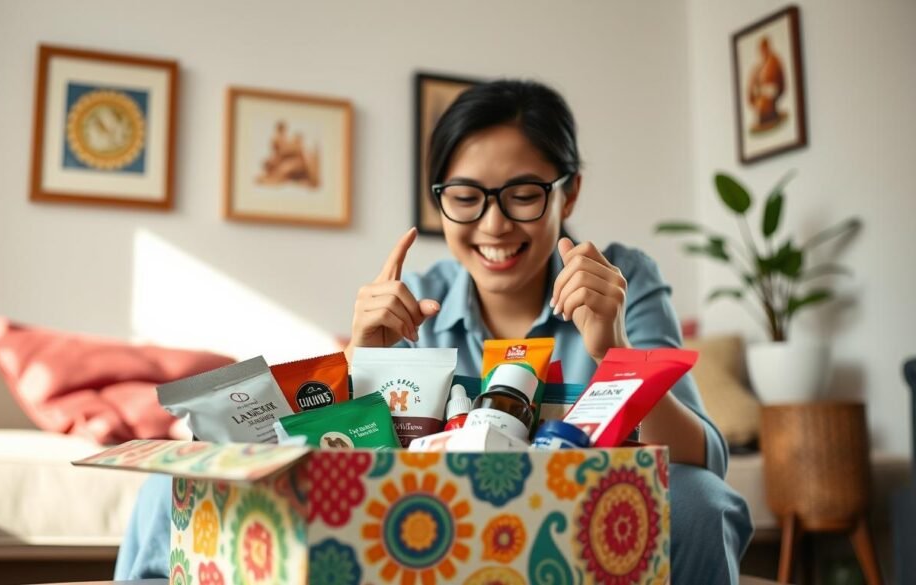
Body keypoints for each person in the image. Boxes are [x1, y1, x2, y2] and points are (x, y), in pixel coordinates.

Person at [115, 79, 753, 583]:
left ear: (571, 192)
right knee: (168, 490)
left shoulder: (619, 279)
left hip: (585, 517)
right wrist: (358, 359)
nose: (494, 225)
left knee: (700, 500)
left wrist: (612, 348)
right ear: (440, 199)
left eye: (524, 194)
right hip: (437, 523)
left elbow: (704, 459)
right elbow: (344, 464)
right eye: (466, 197)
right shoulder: (416, 301)